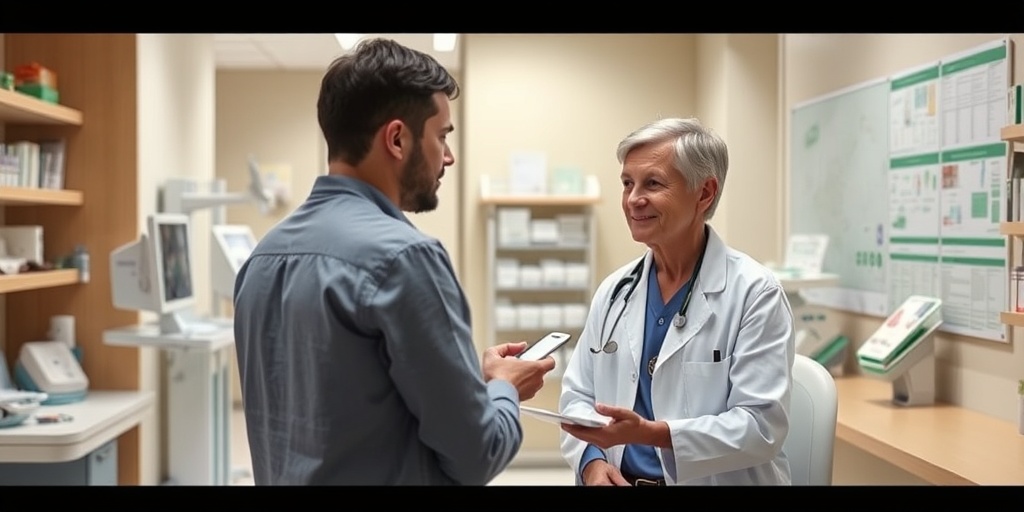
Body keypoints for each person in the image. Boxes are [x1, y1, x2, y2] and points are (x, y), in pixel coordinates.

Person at [233, 37, 556, 486]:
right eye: (441, 136)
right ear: (398, 138)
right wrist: (504, 388)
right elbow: (478, 454)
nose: (448, 156)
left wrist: (467, 381)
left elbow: (344, 406)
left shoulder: (263, 257)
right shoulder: (404, 258)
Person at [558, 117, 795, 486]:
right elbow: (578, 395)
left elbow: (759, 427)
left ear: (704, 194)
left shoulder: (754, 293)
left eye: (652, 183)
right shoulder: (616, 291)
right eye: (627, 183)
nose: (634, 199)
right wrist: (591, 463)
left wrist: (651, 434)